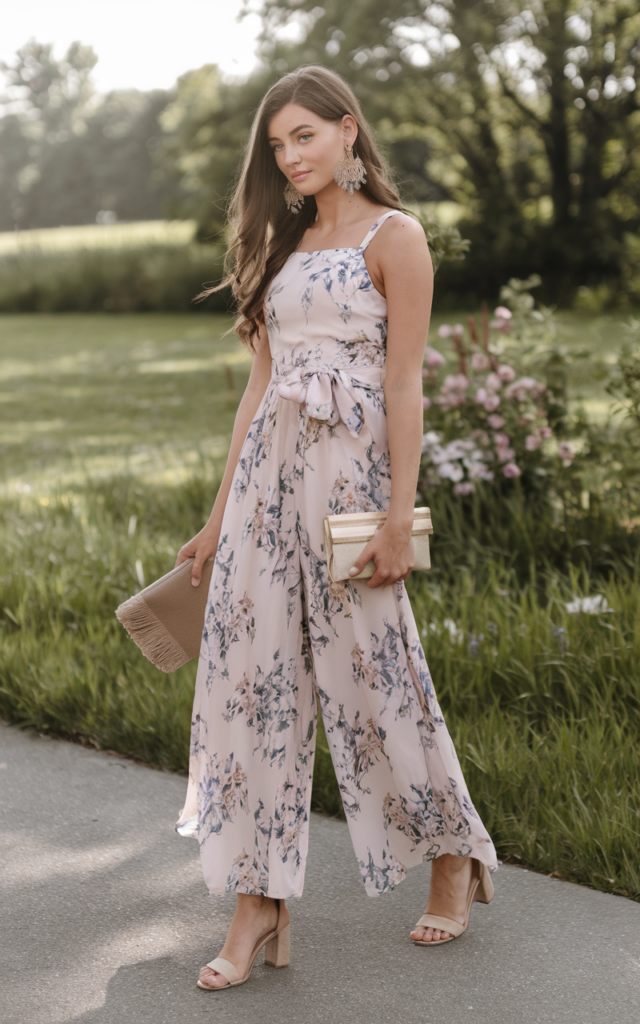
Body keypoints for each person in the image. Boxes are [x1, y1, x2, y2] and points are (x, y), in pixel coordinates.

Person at [174, 63, 498, 992]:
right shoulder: (280, 246)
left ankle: (451, 852)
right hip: (266, 491)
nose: (291, 156)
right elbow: (260, 385)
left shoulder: (397, 237)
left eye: (305, 136)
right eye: (278, 145)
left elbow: (405, 383)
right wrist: (217, 517)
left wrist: (398, 515)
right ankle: (257, 901)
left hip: (350, 491)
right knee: (253, 687)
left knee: (377, 676)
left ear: (348, 130)